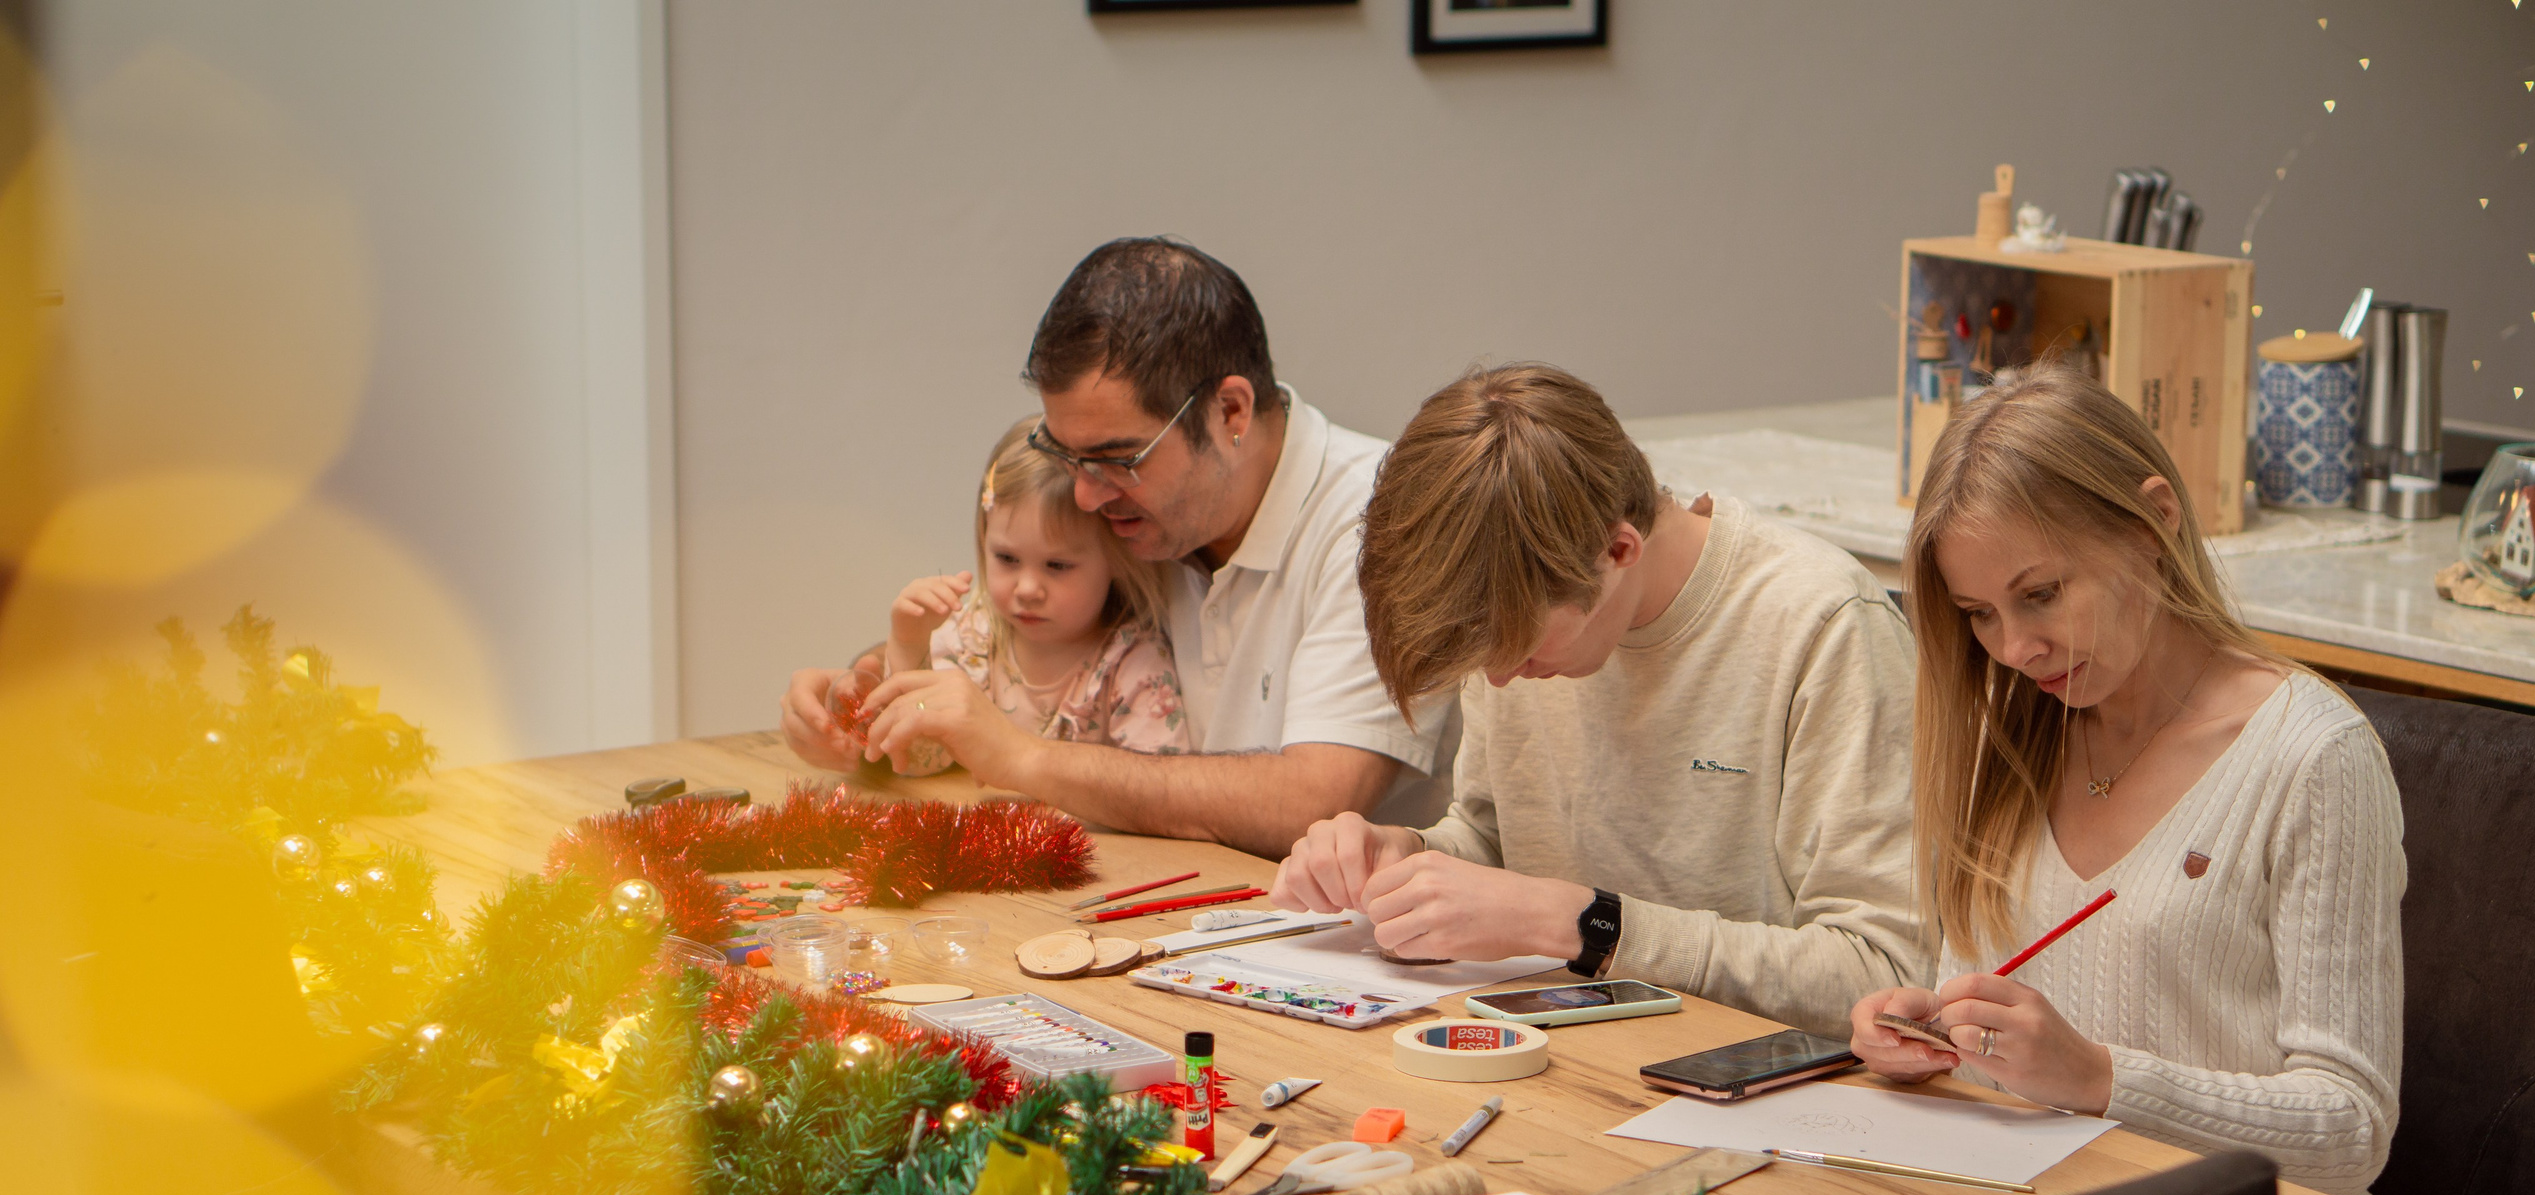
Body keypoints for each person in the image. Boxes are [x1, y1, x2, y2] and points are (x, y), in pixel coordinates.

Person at [1840, 365, 2408, 1195]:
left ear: (2152, 519)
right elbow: (1993, 1011)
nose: (2012, 647)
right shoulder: (2014, 732)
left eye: (2039, 594)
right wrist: (1932, 1032)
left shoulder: (2313, 760)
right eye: (1980, 617)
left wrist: (2104, 1079)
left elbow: (2350, 1127)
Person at [1269, 363, 1926, 1039]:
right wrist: (1401, 859)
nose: (1498, 682)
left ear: (1617, 550)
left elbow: (1883, 969)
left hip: (1767, 1089)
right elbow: (1500, 843)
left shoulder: (1823, 624)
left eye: (1521, 652)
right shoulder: (1517, 605)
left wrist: (1586, 924)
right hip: (1570, 1064)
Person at [779, 239, 1451, 857]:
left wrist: (1021, 757)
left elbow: (1315, 802)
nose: (1085, 498)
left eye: (1118, 457)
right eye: (1065, 456)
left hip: (1381, 950)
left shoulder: (1382, 520)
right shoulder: (1152, 508)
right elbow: (1024, 640)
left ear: (1232, 413)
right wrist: (869, 677)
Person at [867, 416, 1187, 776]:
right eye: (1007, 559)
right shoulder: (973, 638)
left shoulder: (1133, 666)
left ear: (1116, 561)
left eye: (1057, 565)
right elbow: (919, 760)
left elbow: (1152, 793)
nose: (1027, 589)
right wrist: (910, 645)